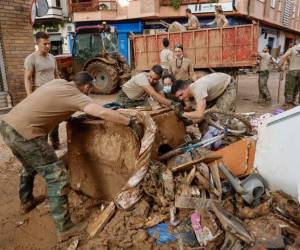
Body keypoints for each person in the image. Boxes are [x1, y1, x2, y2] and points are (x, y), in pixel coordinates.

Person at [0, 72, 143, 242]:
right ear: (87, 86)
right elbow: (102, 113)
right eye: (89, 90)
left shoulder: (59, 83)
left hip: (7, 125)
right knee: (57, 177)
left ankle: (27, 201)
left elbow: (57, 106)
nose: (89, 93)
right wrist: (129, 122)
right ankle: (65, 227)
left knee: (30, 165)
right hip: (26, 134)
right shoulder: (76, 95)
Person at [24, 31, 61, 149]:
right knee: (43, 122)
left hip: (53, 93)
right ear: (37, 43)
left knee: (55, 120)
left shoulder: (52, 57)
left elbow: (56, 75)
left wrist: (62, 87)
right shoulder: (31, 58)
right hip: (40, 94)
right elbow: (27, 79)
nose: (48, 46)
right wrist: (29, 96)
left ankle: (55, 143)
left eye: (49, 43)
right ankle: (43, 147)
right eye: (45, 44)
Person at [170, 72, 236, 122]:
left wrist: (182, 113)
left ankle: (233, 137)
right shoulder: (190, 91)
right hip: (216, 87)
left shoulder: (198, 90)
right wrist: (183, 109)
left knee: (224, 118)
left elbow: (199, 114)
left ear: (186, 87)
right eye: (178, 97)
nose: (181, 98)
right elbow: (191, 108)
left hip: (228, 85)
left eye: (181, 95)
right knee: (204, 117)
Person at [279, 42, 300, 108]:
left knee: (289, 87)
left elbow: (284, 57)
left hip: (292, 70)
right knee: (296, 87)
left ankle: (288, 102)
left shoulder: (292, 49)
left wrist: (280, 65)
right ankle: (293, 100)